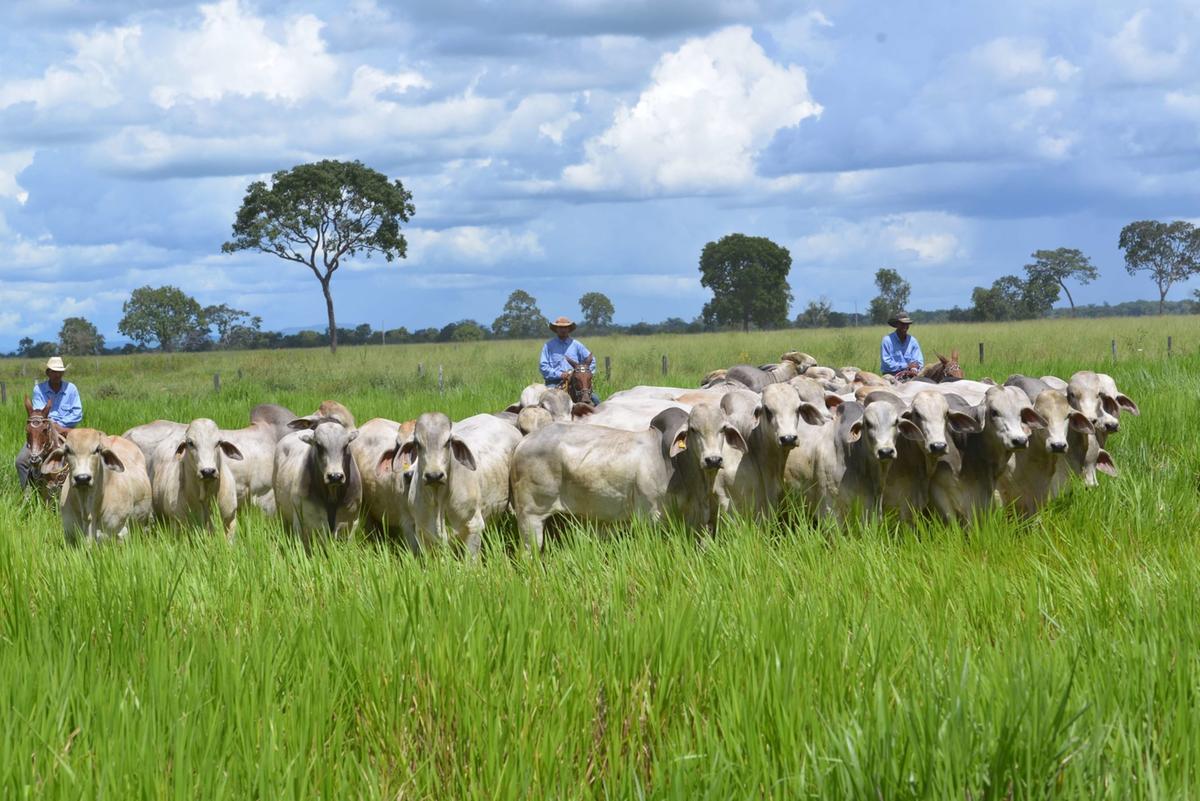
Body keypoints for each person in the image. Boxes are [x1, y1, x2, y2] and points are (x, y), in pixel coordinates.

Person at [16, 356, 83, 490]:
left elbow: (77, 413)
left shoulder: (71, 389)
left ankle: (78, 490)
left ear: (63, 373)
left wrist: (60, 426)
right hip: (43, 431)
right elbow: (40, 415)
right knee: (21, 461)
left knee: (82, 456)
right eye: (53, 371)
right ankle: (28, 493)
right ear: (47, 373)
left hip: (67, 429)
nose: (57, 374)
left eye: (59, 371)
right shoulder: (39, 389)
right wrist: (52, 426)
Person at [539, 316, 599, 404]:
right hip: (553, 383)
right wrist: (560, 374)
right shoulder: (548, 346)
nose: (563, 330)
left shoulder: (577, 345)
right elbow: (543, 366)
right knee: (547, 402)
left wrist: (583, 374)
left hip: (576, 382)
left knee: (595, 399)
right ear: (556, 329)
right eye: (560, 327)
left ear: (569, 329)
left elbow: (592, 360)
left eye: (565, 327)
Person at [880, 312, 924, 381]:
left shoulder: (913, 341)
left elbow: (919, 361)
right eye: (902, 324)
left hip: (910, 375)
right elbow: (886, 364)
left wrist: (914, 368)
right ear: (897, 324)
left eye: (907, 324)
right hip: (892, 376)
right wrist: (906, 366)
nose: (905, 326)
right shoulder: (887, 340)